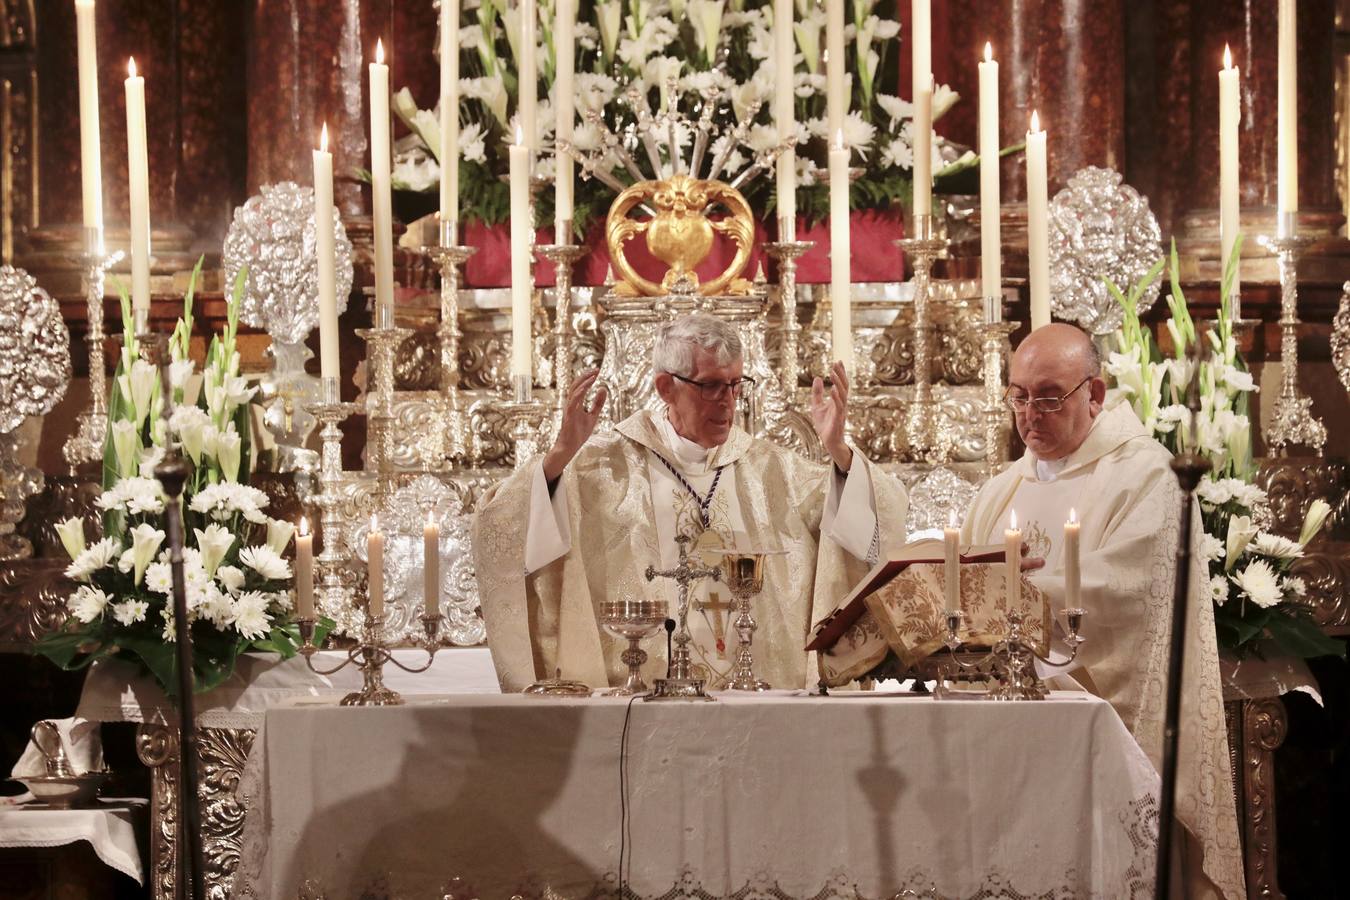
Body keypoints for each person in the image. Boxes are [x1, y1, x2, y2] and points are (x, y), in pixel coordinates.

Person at [473, 313, 909, 692]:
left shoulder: (770, 469)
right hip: (637, 701)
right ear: (666, 386)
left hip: (758, 697)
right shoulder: (604, 468)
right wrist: (558, 457)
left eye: (736, 386)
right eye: (711, 386)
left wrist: (839, 452)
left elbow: (869, 532)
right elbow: (502, 530)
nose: (728, 402)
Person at [961, 323, 1243, 899]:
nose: (1030, 414)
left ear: (1095, 393)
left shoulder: (1146, 475)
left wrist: (1020, 594)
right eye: (1018, 395)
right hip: (1002, 740)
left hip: (1101, 737)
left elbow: (1137, 588)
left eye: (1048, 396)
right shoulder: (1001, 489)